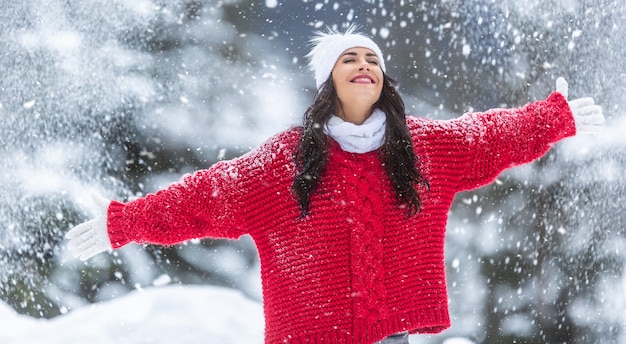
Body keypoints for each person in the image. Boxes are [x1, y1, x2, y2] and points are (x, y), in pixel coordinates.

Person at [65, 26, 604, 344]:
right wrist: (122, 223)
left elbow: (488, 136)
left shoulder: (420, 149)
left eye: (373, 58)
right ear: (329, 80)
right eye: (350, 58)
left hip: (391, 333)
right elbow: (203, 198)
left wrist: (553, 118)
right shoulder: (284, 162)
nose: (364, 64)